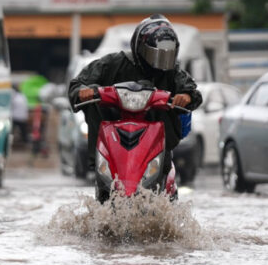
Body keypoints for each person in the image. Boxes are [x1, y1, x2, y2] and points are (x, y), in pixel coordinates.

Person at [68, 14, 202, 182]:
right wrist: (83, 90)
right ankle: (101, 164)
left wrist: (187, 96)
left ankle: (163, 174)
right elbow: (78, 83)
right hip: (113, 129)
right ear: (140, 48)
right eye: (156, 54)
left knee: (165, 173)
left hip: (157, 136)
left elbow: (192, 90)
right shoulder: (113, 63)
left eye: (167, 55)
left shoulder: (172, 72)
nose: (162, 61)